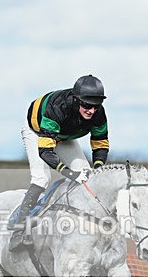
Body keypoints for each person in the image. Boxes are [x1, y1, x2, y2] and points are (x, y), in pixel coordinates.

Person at [9, 74, 110, 251]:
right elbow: (45, 151)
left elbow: (100, 144)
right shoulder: (58, 108)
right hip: (38, 132)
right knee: (41, 178)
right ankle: (18, 228)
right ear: (77, 100)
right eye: (86, 105)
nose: (91, 110)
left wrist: (98, 170)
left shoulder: (98, 113)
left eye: (96, 106)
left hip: (64, 135)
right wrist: (70, 174)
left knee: (87, 175)